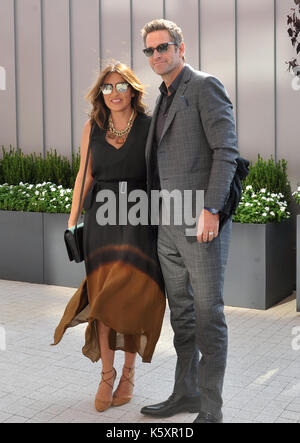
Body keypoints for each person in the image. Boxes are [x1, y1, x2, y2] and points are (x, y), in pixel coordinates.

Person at [140, 19, 239, 423]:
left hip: (200, 225)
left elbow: (226, 150)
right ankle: (187, 393)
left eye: (163, 47)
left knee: (207, 314)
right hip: (167, 226)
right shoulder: (162, 97)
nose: (156, 55)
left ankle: (211, 410)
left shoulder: (204, 86)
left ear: (182, 47)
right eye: (149, 50)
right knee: (180, 314)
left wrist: (212, 209)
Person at [53, 62, 166, 413]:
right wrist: (72, 222)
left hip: (138, 220)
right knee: (101, 300)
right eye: (107, 87)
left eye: (121, 86)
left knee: (129, 297)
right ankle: (106, 373)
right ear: (100, 93)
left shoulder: (150, 127)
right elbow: (83, 176)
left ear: (132, 90)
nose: (114, 93)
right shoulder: (92, 127)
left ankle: (129, 372)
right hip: (100, 221)